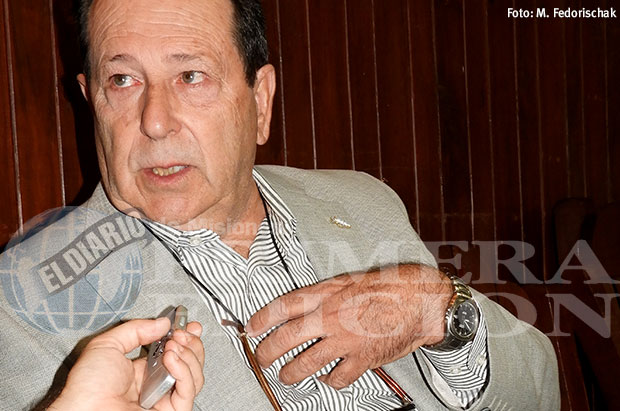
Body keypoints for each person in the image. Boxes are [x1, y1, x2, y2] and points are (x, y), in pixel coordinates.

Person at [0, 0, 560, 409]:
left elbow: (541, 390)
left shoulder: (364, 202)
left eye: (191, 76)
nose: (155, 121)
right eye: (122, 80)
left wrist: (442, 312)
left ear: (260, 101)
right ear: (91, 101)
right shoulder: (23, 296)